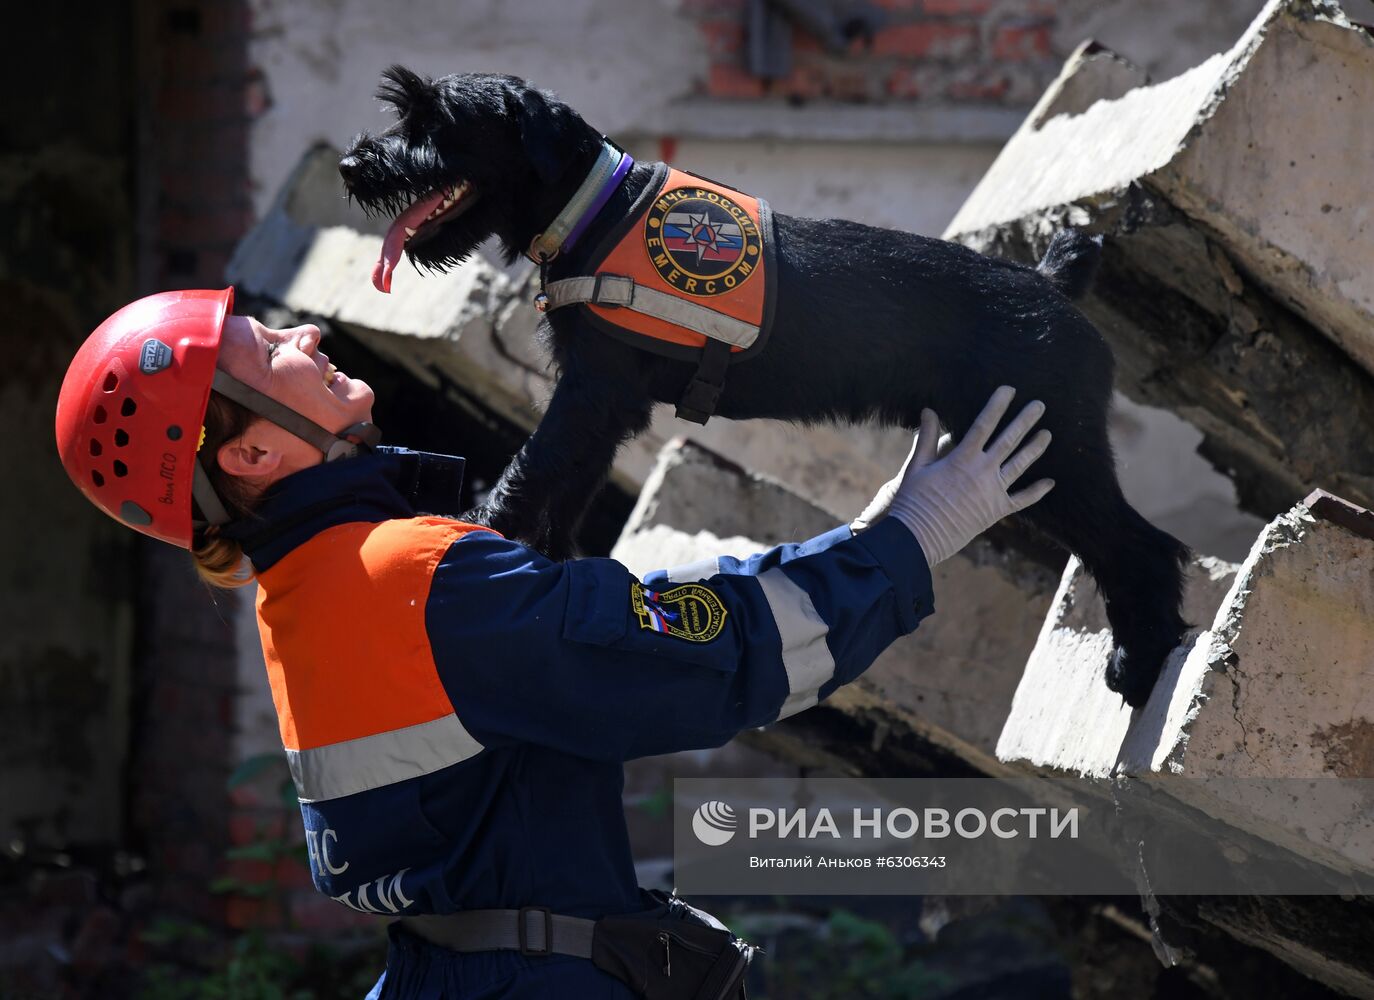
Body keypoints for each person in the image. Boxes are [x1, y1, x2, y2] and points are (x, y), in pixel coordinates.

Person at [55, 288, 1053, 999]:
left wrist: (857, 540)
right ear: (255, 453)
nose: (305, 330)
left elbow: (635, 611)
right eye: (266, 346)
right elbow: (703, 659)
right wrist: (909, 542)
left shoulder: (308, 592)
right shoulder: (408, 577)